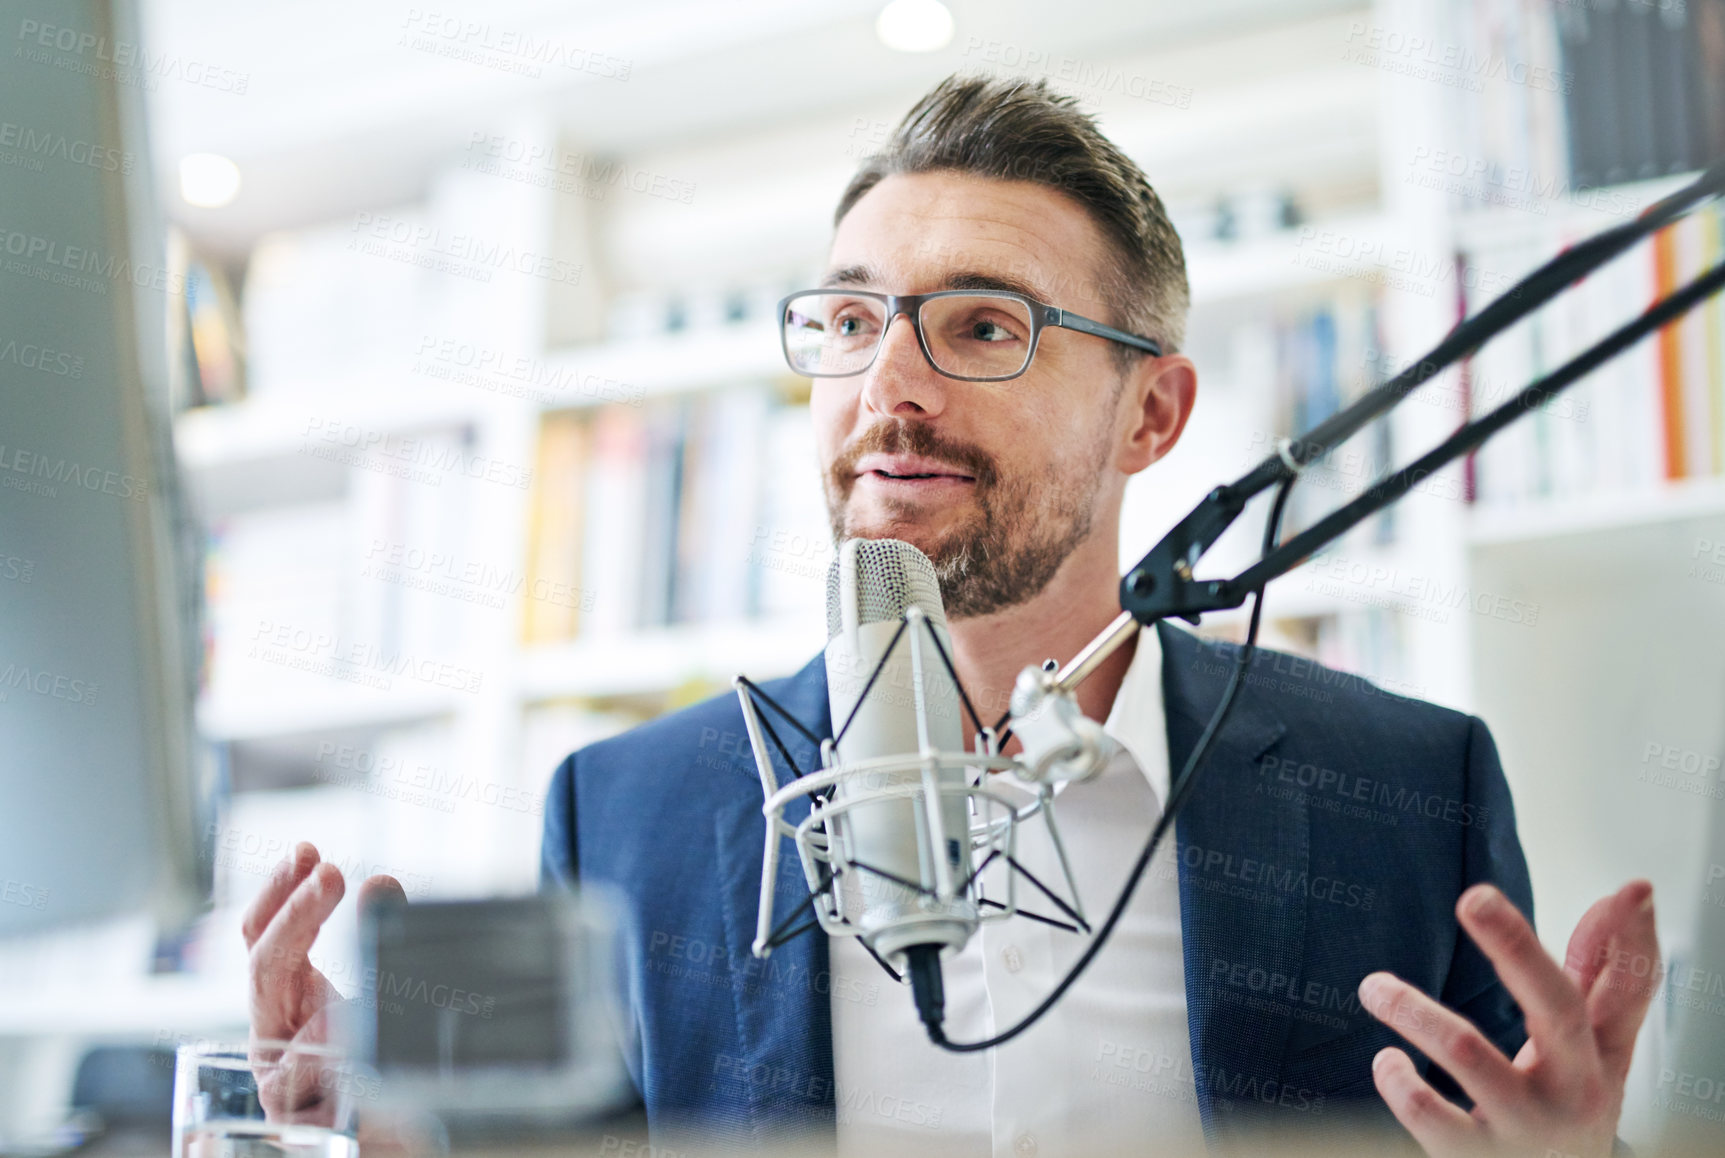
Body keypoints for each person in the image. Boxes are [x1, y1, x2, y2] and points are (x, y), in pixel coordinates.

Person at [245, 74, 1660, 1157]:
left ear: (1151, 411)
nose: (886, 388)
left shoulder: (1404, 791)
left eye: (982, 326)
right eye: (851, 324)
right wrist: (382, 1132)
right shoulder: (623, 810)